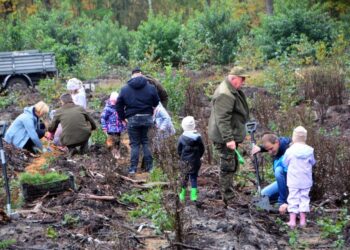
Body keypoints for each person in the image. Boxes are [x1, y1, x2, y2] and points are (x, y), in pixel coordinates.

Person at [208, 66, 250, 205]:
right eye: (241, 79)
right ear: (233, 78)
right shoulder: (225, 94)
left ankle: (228, 191)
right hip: (224, 138)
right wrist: (229, 139)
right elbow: (222, 119)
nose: (243, 82)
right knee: (227, 166)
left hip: (229, 134)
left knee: (232, 164)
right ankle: (228, 198)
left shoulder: (232, 89)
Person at [116, 68, 159, 174]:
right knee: (146, 142)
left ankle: (133, 169)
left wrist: (122, 118)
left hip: (132, 118)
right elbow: (157, 102)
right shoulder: (151, 87)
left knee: (135, 144)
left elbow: (118, 104)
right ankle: (150, 168)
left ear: (132, 76)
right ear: (142, 75)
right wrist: (151, 109)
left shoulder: (125, 89)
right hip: (147, 117)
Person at [283, 126, 316, 228]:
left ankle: (292, 221)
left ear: (294, 137)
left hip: (293, 180)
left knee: (293, 198)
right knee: (304, 198)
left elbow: (285, 163)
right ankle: (303, 221)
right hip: (306, 180)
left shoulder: (289, 150)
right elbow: (313, 162)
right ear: (305, 138)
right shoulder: (310, 150)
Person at [252, 133, 291, 205]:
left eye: (271, 149)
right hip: (282, 183)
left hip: (293, 184)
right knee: (261, 195)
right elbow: (270, 146)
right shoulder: (276, 148)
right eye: (268, 150)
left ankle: (282, 202)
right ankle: (285, 197)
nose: (270, 152)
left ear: (277, 142)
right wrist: (260, 148)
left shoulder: (289, 148)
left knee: (278, 171)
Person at [177, 116, 205, 202]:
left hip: (184, 161)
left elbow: (179, 150)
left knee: (184, 177)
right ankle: (193, 196)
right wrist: (198, 157)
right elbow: (202, 149)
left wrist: (181, 157)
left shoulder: (181, 138)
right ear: (194, 126)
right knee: (193, 177)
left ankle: (182, 195)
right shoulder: (198, 137)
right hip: (195, 161)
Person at [101, 92, 126, 159]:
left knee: (118, 140)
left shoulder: (119, 107)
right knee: (112, 140)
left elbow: (121, 117)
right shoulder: (107, 109)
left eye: (116, 102)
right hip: (111, 128)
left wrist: (124, 123)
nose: (114, 103)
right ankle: (113, 152)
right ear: (110, 100)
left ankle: (117, 152)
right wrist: (104, 127)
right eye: (113, 101)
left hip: (118, 128)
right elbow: (103, 118)